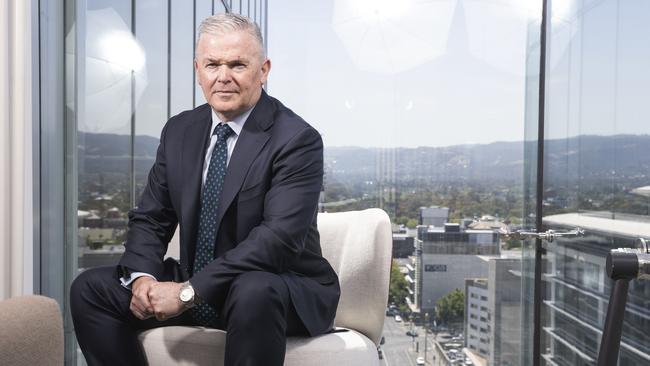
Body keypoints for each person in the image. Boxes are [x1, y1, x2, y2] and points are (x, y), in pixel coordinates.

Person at [70, 13, 340, 366]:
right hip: (201, 281)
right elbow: (152, 218)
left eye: (237, 64)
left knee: (254, 290)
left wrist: (188, 292)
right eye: (212, 64)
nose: (223, 76)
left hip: (276, 286)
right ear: (198, 69)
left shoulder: (296, 139)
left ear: (264, 70)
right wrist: (143, 280)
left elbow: (278, 241)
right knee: (91, 290)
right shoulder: (180, 131)